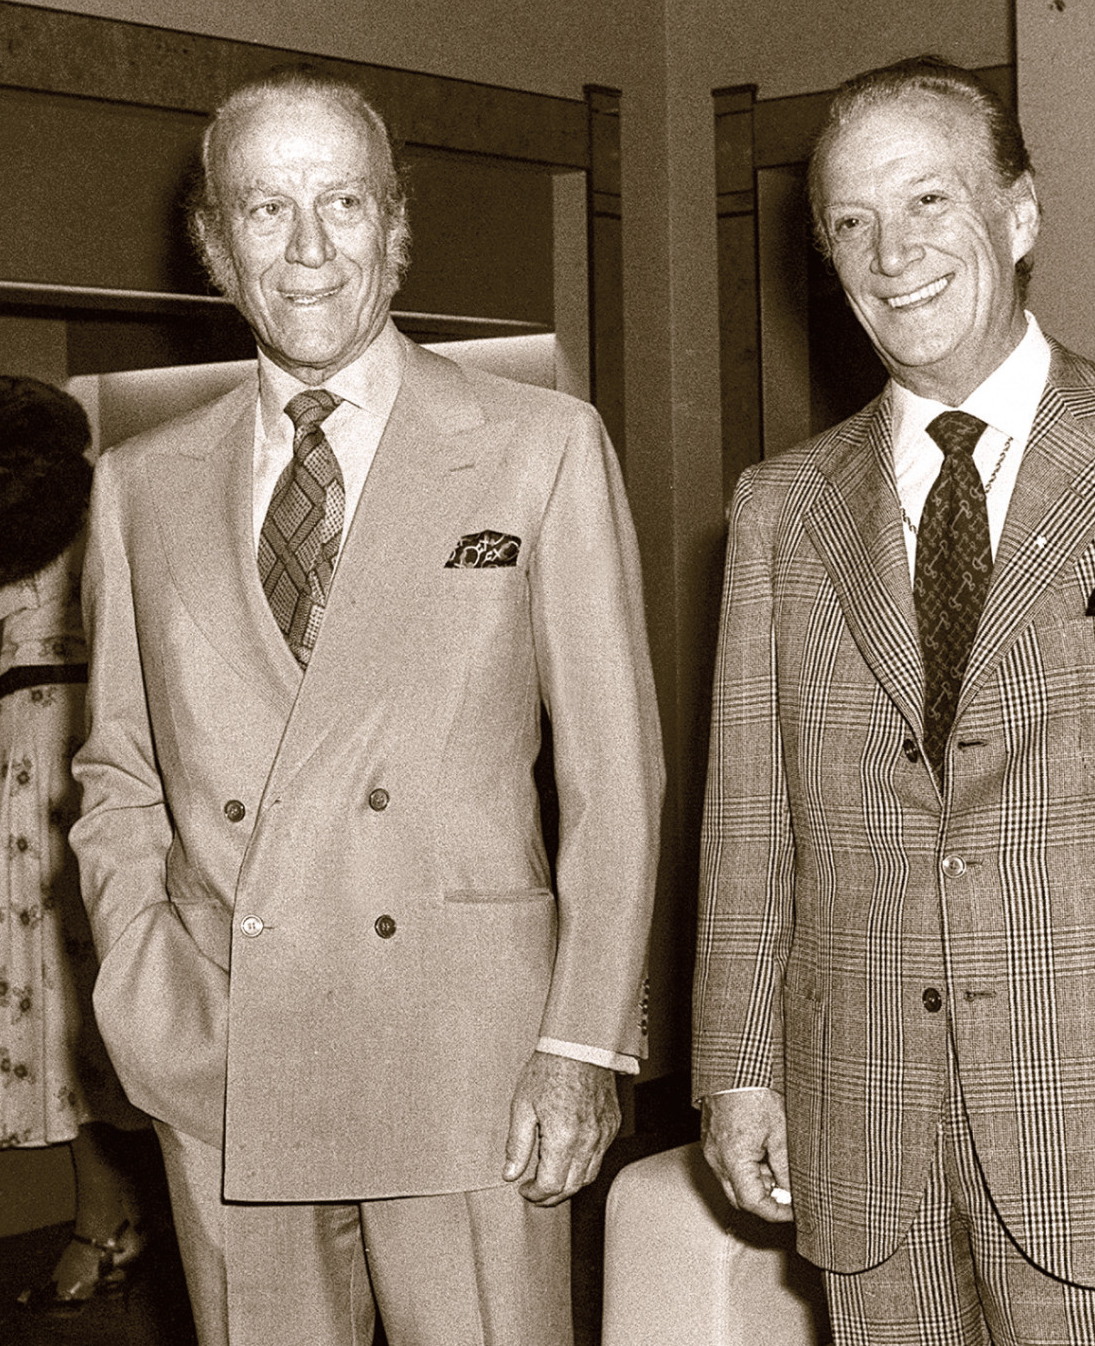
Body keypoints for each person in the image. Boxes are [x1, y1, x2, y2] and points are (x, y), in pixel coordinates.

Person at [693, 56, 1095, 1345]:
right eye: (850, 222)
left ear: (1019, 213)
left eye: (927, 201)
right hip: (863, 1125)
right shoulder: (778, 509)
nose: (891, 255)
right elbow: (746, 823)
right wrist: (735, 1065)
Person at [69, 66, 663, 1346]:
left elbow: (613, 778)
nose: (307, 249)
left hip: (470, 1053)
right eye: (265, 209)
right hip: (230, 1048)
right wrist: (143, 983)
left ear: (394, 227)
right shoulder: (140, 485)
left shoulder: (538, 443)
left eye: (341, 203)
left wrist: (579, 1043)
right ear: (214, 244)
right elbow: (117, 772)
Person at [0, 375, 151, 1310]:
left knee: (61, 1002)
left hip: (40, 765)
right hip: (129, 750)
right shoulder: (117, 502)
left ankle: (104, 1224)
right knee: (132, 988)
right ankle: (142, 1217)